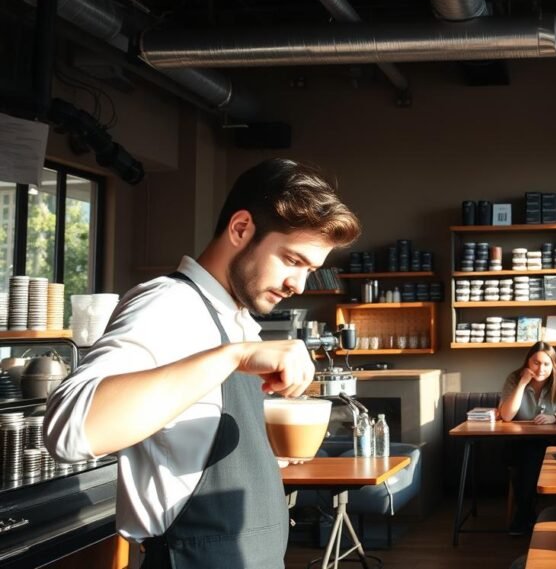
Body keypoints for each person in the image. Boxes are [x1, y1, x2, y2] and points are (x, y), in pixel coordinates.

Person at [43, 159, 361, 569]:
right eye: (291, 260)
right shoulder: (169, 304)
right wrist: (235, 357)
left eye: (310, 270)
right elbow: (71, 430)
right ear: (241, 228)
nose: (297, 285)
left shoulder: (239, 319)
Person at [497, 342, 556, 535]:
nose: (541, 369)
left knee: (535, 455)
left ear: (553, 366)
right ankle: (527, 514)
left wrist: (554, 417)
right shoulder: (514, 378)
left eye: (546, 364)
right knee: (529, 455)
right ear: (527, 362)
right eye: (536, 362)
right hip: (519, 442)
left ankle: (525, 516)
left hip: (551, 442)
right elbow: (506, 415)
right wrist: (522, 383)